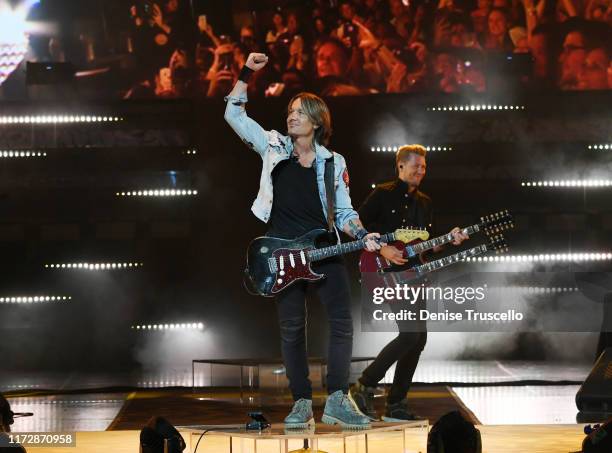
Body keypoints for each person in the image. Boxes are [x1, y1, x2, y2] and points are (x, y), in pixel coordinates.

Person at [224, 52, 381, 429]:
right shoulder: (273, 146)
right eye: (290, 111)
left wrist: (362, 235)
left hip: (325, 250)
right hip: (282, 253)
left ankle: (338, 400)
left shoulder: (334, 162)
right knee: (292, 328)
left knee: (342, 323)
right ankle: (301, 403)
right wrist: (247, 73)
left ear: (316, 121)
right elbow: (233, 115)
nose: (291, 116)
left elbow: (343, 212)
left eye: (299, 112)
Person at [349, 145, 468, 421]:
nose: (421, 171)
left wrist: (448, 239)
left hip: (415, 276)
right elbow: (356, 228)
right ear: (400, 166)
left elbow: (426, 246)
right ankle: (364, 385)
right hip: (383, 271)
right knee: (410, 334)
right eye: (416, 166)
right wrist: (382, 249)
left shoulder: (425, 202)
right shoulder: (382, 194)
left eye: (424, 167)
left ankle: (396, 404)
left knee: (418, 339)